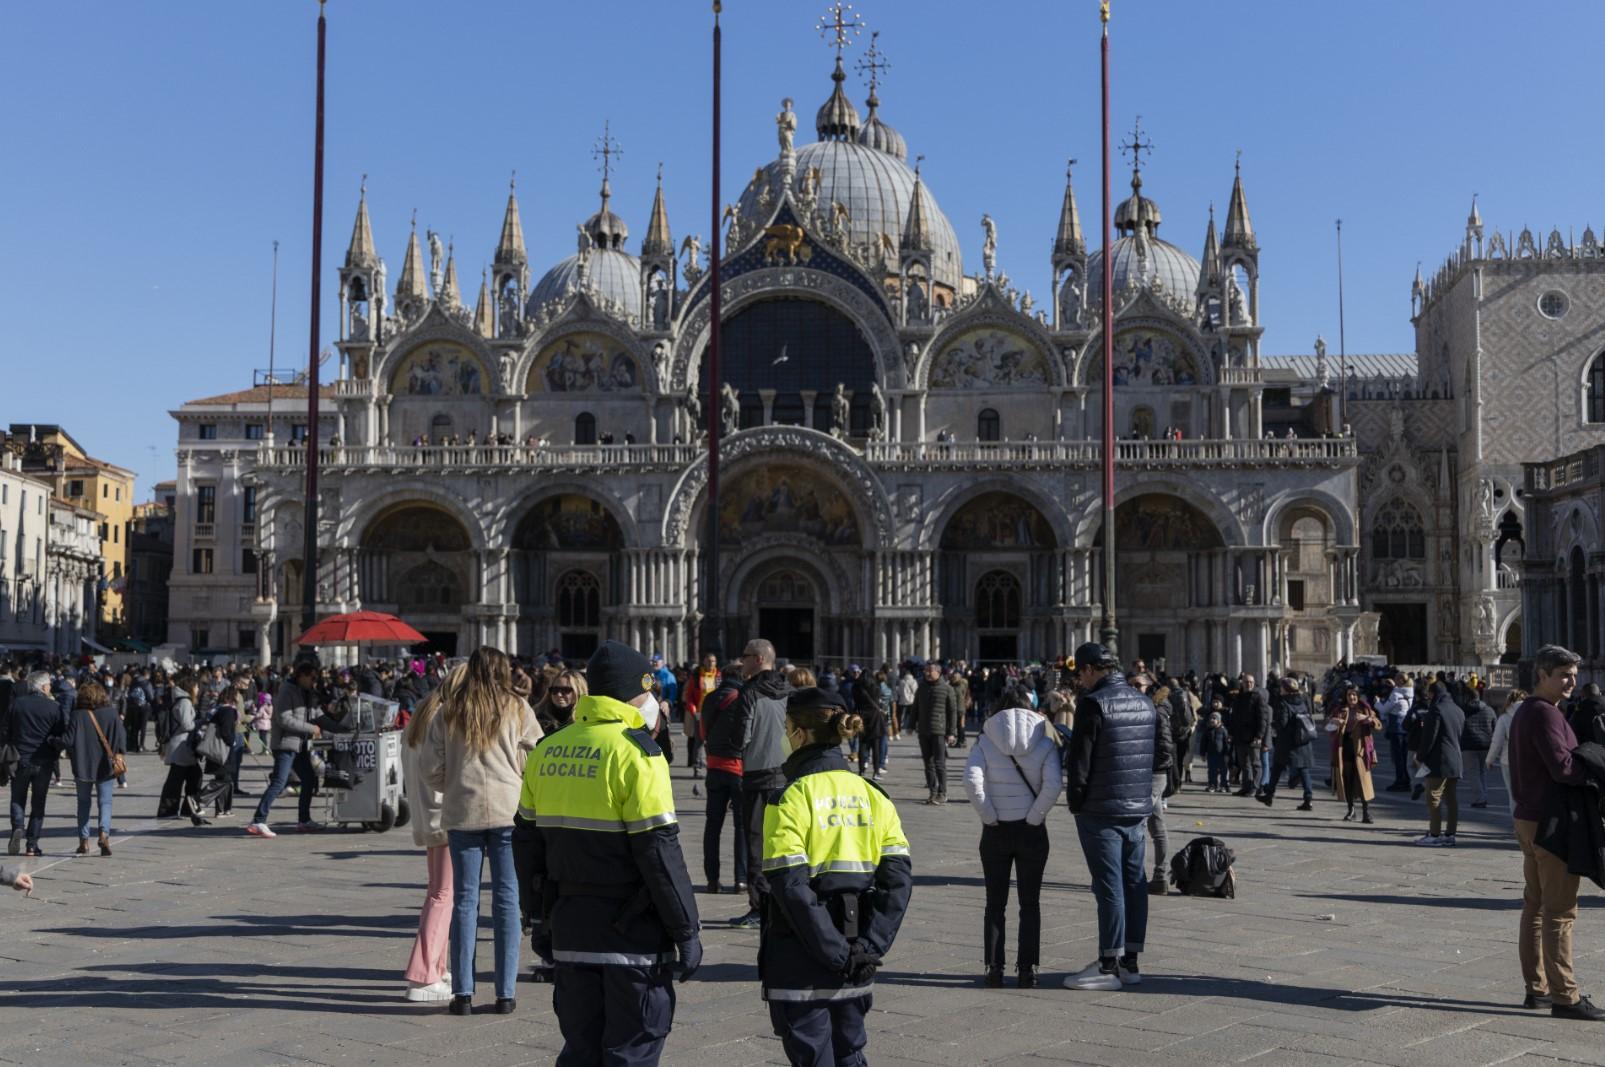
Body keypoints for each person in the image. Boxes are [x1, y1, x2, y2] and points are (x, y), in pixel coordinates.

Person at [521, 640, 702, 1062]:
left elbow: (526, 844)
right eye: (649, 693)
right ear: (632, 695)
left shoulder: (548, 750)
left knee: (580, 1049)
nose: (654, 702)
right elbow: (659, 852)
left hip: (569, 926)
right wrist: (686, 930)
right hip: (632, 935)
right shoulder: (637, 754)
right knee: (632, 1049)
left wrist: (537, 917)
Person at [760, 686, 911, 1063]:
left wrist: (835, 955)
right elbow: (898, 883)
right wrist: (867, 950)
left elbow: (790, 887)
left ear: (800, 733)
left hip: (800, 956)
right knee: (851, 1053)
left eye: (786, 726)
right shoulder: (875, 795)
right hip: (857, 955)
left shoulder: (789, 798)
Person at [423, 646, 542, 1015]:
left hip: (463, 812)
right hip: (508, 812)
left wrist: (454, 783)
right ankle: (505, 994)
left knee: (465, 902)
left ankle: (463, 994)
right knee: (508, 902)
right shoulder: (518, 707)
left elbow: (431, 768)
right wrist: (514, 773)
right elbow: (535, 753)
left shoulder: (449, 710)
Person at [1508, 644, 1605, 1020]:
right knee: (1561, 911)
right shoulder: (1545, 714)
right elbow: (1563, 769)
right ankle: (1565, 996)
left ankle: (1538, 989)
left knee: (1535, 905)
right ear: (1542, 675)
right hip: (1551, 822)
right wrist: (1594, 769)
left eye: (1573, 675)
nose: (1571, 681)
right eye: (1563, 674)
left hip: (1528, 817)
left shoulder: (1527, 711)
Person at [1063, 642, 1155, 991]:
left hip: (1101, 809)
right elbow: (1160, 754)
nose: (1080, 682)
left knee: (1109, 888)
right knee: (1135, 884)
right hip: (1137, 808)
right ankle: (1130, 963)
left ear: (1089, 669)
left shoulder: (1093, 704)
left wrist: (1076, 802)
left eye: (1080, 674)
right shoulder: (1144, 702)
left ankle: (1106, 965)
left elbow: (1080, 763)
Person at [963, 682, 1061, 988]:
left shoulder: (984, 741)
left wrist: (989, 815)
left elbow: (971, 781)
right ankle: (1027, 970)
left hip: (996, 831)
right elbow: (1054, 784)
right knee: (1030, 904)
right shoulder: (1045, 742)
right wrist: (1035, 817)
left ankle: (994, 968)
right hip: (1032, 830)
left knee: (995, 903)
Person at [400, 671, 455, 1003]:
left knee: (438, 892)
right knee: (443, 896)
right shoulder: (443, 720)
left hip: (427, 816)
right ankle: (422, 976)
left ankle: (436, 966)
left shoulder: (420, 718)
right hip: (446, 816)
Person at [734, 638, 791, 929]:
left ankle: (759, 907)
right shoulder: (790, 691)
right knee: (783, 842)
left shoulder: (750, 692)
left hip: (756, 776)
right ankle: (784, 903)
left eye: (744, 657)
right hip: (786, 776)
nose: (740, 662)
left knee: (755, 843)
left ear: (757, 659)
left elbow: (741, 737)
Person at [245, 658, 325, 838]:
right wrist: (311, 728)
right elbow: (284, 719)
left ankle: (304, 820)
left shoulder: (306, 692)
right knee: (279, 782)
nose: (314, 681)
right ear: (301, 676)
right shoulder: (286, 691)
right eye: (312, 678)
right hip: (285, 744)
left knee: (310, 779)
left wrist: (334, 722)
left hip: (300, 745)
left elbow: (315, 713)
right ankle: (258, 820)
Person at [700, 663, 748, 895]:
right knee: (741, 826)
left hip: (714, 766)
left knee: (713, 826)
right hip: (738, 768)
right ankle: (740, 879)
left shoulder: (710, 699)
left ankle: (712, 879)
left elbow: (702, 731)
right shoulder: (744, 698)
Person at [7, 671, 66, 857]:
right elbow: (61, 733)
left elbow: (5, 729)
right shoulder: (54, 707)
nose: (50, 687)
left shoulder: (18, 704)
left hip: (20, 758)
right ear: (42, 686)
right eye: (49, 684)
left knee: (17, 796)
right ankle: (32, 844)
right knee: (38, 802)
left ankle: (18, 826)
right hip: (45, 760)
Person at [66, 681, 125, 857]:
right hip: (105, 765)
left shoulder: (77, 715)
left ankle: (83, 841)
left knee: (83, 804)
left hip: (82, 766)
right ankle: (103, 834)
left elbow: (68, 740)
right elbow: (121, 740)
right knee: (105, 802)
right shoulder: (112, 714)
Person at [1414, 680, 1466, 847]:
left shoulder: (1436, 710)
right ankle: (1450, 834)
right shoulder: (1458, 710)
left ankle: (1435, 834)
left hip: (1439, 761)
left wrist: (1420, 756)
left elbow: (1429, 737)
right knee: (1451, 800)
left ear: (1432, 693)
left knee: (1433, 797)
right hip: (1455, 760)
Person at [158, 672, 210, 828]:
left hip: (182, 747)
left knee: (190, 776)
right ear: (190, 687)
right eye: (196, 686)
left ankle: (184, 808)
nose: (197, 689)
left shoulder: (181, 701)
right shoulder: (185, 702)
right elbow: (187, 725)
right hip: (181, 747)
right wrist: (201, 721)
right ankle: (170, 810)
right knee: (180, 779)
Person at [1258, 677, 1316, 811]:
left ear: (1285, 688)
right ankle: (1308, 799)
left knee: (1277, 768)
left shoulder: (1283, 703)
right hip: (1302, 741)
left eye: (1282, 687)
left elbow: (1283, 723)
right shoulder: (1303, 700)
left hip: (1287, 743)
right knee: (1304, 770)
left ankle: (1269, 795)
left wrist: (1274, 724)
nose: (1280, 689)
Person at [1329, 685, 1381, 823]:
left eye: (1354, 695)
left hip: (1361, 752)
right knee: (1348, 781)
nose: (1351, 697)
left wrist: (1368, 719)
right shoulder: (1339, 710)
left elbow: (1378, 724)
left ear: (1358, 696)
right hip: (1344, 750)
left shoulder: (1365, 709)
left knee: (1363, 781)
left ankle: (1366, 812)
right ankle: (1351, 810)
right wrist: (1334, 722)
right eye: (1349, 695)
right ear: (1345, 697)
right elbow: (1329, 728)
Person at [1144, 682, 1176, 895]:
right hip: (1153, 773)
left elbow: (1165, 747)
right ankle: (1159, 877)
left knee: (1137, 822)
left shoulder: (1157, 713)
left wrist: (1155, 765)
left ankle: (1137, 876)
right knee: (1157, 825)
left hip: (1154, 774)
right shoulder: (1159, 711)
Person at [914, 662, 960, 805]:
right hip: (923, 730)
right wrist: (910, 724)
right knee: (928, 763)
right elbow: (915, 707)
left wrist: (951, 732)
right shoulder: (921, 688)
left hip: (939, 731)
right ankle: (932, 792)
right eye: (925, 671)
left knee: (939, 763)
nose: (926, 673)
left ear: (938, 672)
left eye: (929, 671)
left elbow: (953, 712)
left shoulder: (947, 689)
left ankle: (942, 792)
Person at [1228, 674, 1271, 797]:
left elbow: (1263, 719)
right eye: (1246, 682)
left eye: (1251, 682)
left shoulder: (1258, 698)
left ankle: (1255, 787)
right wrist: (1231, 733)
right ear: (1242, 683)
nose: (1249, 684)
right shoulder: (1238, 698)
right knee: (1244, 763)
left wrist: (1259, 736)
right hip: (1240, 736)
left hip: (1253, 736)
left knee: (1255, 763)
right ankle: (1246, 786)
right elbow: (1234, 718)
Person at [1487, 688, 1526, 818]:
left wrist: (1489, 760)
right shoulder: (1531, 713)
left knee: (1513, 795)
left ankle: (1517, 824)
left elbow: (1497, 742)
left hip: (1508, 760)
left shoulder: (1504, 718)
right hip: (1529, 760)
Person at [1461, 682, 1498, 809]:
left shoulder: (1463, 710)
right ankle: (1483, 796)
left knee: (1473, 773)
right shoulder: (1489, 709)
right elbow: (1495, 727)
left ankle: (1479, 798)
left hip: (1468, 745)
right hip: (1486, 745)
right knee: (1482, 772)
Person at [1377, 673, 1413, 791]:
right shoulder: (1410, 691)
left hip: (1396, 726)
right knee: (1405, 756)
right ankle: (1407, 780)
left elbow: (1384, 709)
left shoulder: (1396, 693)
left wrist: (1377, 702)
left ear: (1401, 681)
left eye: (1396, 679)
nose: (1394, 680)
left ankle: (1400, 781)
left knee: (1397, 757)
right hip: (1407, 726)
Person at [1200, 708, 1230, 792]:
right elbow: (1203, 743)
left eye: (1214, 718)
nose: (1212, 720)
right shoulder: (1208, 731)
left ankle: (1224, 785)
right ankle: (1212, 785)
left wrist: (1227, 754)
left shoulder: (1223, 730)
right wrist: (1202, 754)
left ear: (1219, 720)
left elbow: (1227, 743)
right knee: (1212, 771)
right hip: (1211, 754)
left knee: (1223, 771)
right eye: (1211, 718)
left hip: (1222, 755)